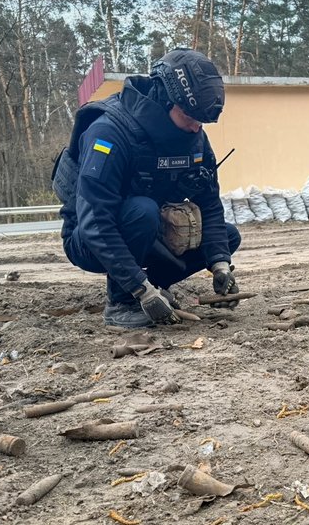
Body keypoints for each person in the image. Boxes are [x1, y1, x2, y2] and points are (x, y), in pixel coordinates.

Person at [51, 48, 241, 328]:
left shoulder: (194, 137)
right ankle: (122, 303)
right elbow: (95, 222)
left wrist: (220, 265)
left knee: (227, 236)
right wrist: (140, 290)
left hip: (149, 231)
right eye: (190, 118)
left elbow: (209, 204)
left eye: (201, 121)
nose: (195, 128)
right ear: (166, 101)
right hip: (90, 237)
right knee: (142, 211)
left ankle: (155, 286)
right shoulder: (110, 133)